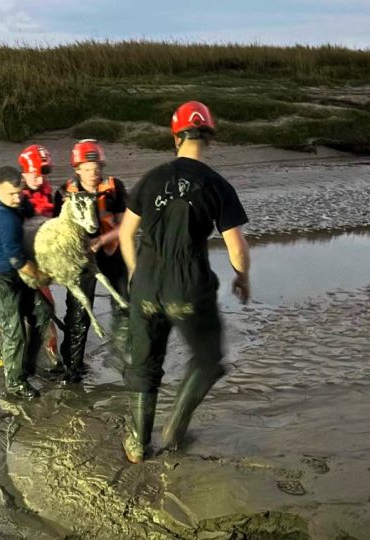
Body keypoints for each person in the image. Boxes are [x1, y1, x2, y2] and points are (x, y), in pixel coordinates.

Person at [118, 101, 251, 463]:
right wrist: (242, 276)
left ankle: (137, 444)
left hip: (146, 282)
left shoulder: (152, 177)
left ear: (175, 136)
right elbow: (236, 247)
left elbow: (126, 232)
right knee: (208, 358)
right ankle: (174, 428)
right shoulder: (217, 186)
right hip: (187, 284)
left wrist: (134, 272)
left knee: (145, 364)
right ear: (209, 137)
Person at [53, 139, 130, 383]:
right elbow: (56, 229)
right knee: (78, 314)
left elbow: (127, 224)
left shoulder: (115, 187)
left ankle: (124, 360)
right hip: (81, 260)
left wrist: (102, 239)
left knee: (124, 307)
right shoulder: (64, 193)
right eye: (87, 168)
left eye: (96, 168)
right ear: (77, 169)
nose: (93, 173)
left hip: (111, 253)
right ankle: (72, 369)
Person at [0, 166, 50, 399]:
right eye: (11, 195)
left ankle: (27, 365)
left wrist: (26, 204)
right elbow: (18, 260)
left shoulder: (14, 203)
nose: (17, 199)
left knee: (43, 311)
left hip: (14, 276)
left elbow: (28, 208)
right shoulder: (1, 217)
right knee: (14, 330)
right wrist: (42, 276)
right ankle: (15, 382)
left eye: (19, 193)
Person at [16, 144, 63, 373]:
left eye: (43, 172)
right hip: (18, 263)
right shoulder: (15, 197)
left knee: (47, 307)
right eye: (34, 172)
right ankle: (0, 338)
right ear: (24, 172)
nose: (39, 177)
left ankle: (52, 352)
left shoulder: (50, 194)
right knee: (15, 309)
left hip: (40, 262)